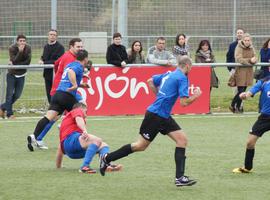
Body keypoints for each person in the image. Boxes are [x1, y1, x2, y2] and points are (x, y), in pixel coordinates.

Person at [99, 55, 202, 187]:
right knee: (140, 146)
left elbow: (150, 81)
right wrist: (196, 95)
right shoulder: (182, 78)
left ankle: (180, 178)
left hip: (163, 115)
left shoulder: (169, 74)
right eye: (191, 66)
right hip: (156, 116)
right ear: (187, 65)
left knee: (182, 140)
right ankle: (106, 158)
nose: (191, 69)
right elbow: (183, 102)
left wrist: (159, 96)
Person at [27, 50, 89, 151]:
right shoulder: (78, 66)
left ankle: (34, 136)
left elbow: (67, 76)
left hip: (57, 94)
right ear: (85, 59)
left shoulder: (70, 64)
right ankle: (80, 138)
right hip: (67, 95)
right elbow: (71, 72)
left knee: (48, 118)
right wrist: (74, 85)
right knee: (80, 113)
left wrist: (81, 84)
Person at [56, 102, 122, 173]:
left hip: (71, 153)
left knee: (103, 145)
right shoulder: (77, 110)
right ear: (81, 108)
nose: (86, 115)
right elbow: (79, 119)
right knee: (97, 140)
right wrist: (84, 130)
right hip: (72, 143)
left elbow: (60, 147)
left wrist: (58, 166)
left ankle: (105, 165)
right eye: (86, 112)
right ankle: (84, 166)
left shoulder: (67, 124)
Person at [233, 76, 270, 173]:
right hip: (265, 118)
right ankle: (247, 167)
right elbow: (250, 93)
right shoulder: (263, 82)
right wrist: (244, 95)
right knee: (250, 142)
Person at [0, 34, 31, 119]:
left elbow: (28, 62)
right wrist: (20, 52)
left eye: (24, 41)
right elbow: (14, 60)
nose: (22, 42)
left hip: (22, 74)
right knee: (9, 95)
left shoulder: (28, 48)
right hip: (12, 74)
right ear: (17, 41)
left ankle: (2, 107)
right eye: (20, 41)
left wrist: (17, 63)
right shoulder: (12, 48)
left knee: (17, 95)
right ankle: (9, 114)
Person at [229, 33, 257, 113]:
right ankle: (233, 104)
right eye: (245, 40)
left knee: (244, 90)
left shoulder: (252, 48)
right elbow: (239, 59)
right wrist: (250, 61)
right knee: (240, 91)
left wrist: (254, 60)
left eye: (248, 40)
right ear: (243, 40)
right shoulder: (239, 47)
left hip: (249, 72)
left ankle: (237, 107)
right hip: (240, 71)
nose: (247, 42)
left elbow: (254, 57)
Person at [39, 29, 65, 103]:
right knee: (48, 92)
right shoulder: (46, 46)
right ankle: (51, 108)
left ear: (56, 37)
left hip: (56, 73)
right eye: (51, 34)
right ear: (48, 36)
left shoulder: (60, 47)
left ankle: (56, 108)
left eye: (54, 35)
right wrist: (41, 59)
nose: (52, 36)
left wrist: (44, 62)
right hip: (47, 73)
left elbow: (58, 61)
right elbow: (44, 57)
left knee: (56, 92)